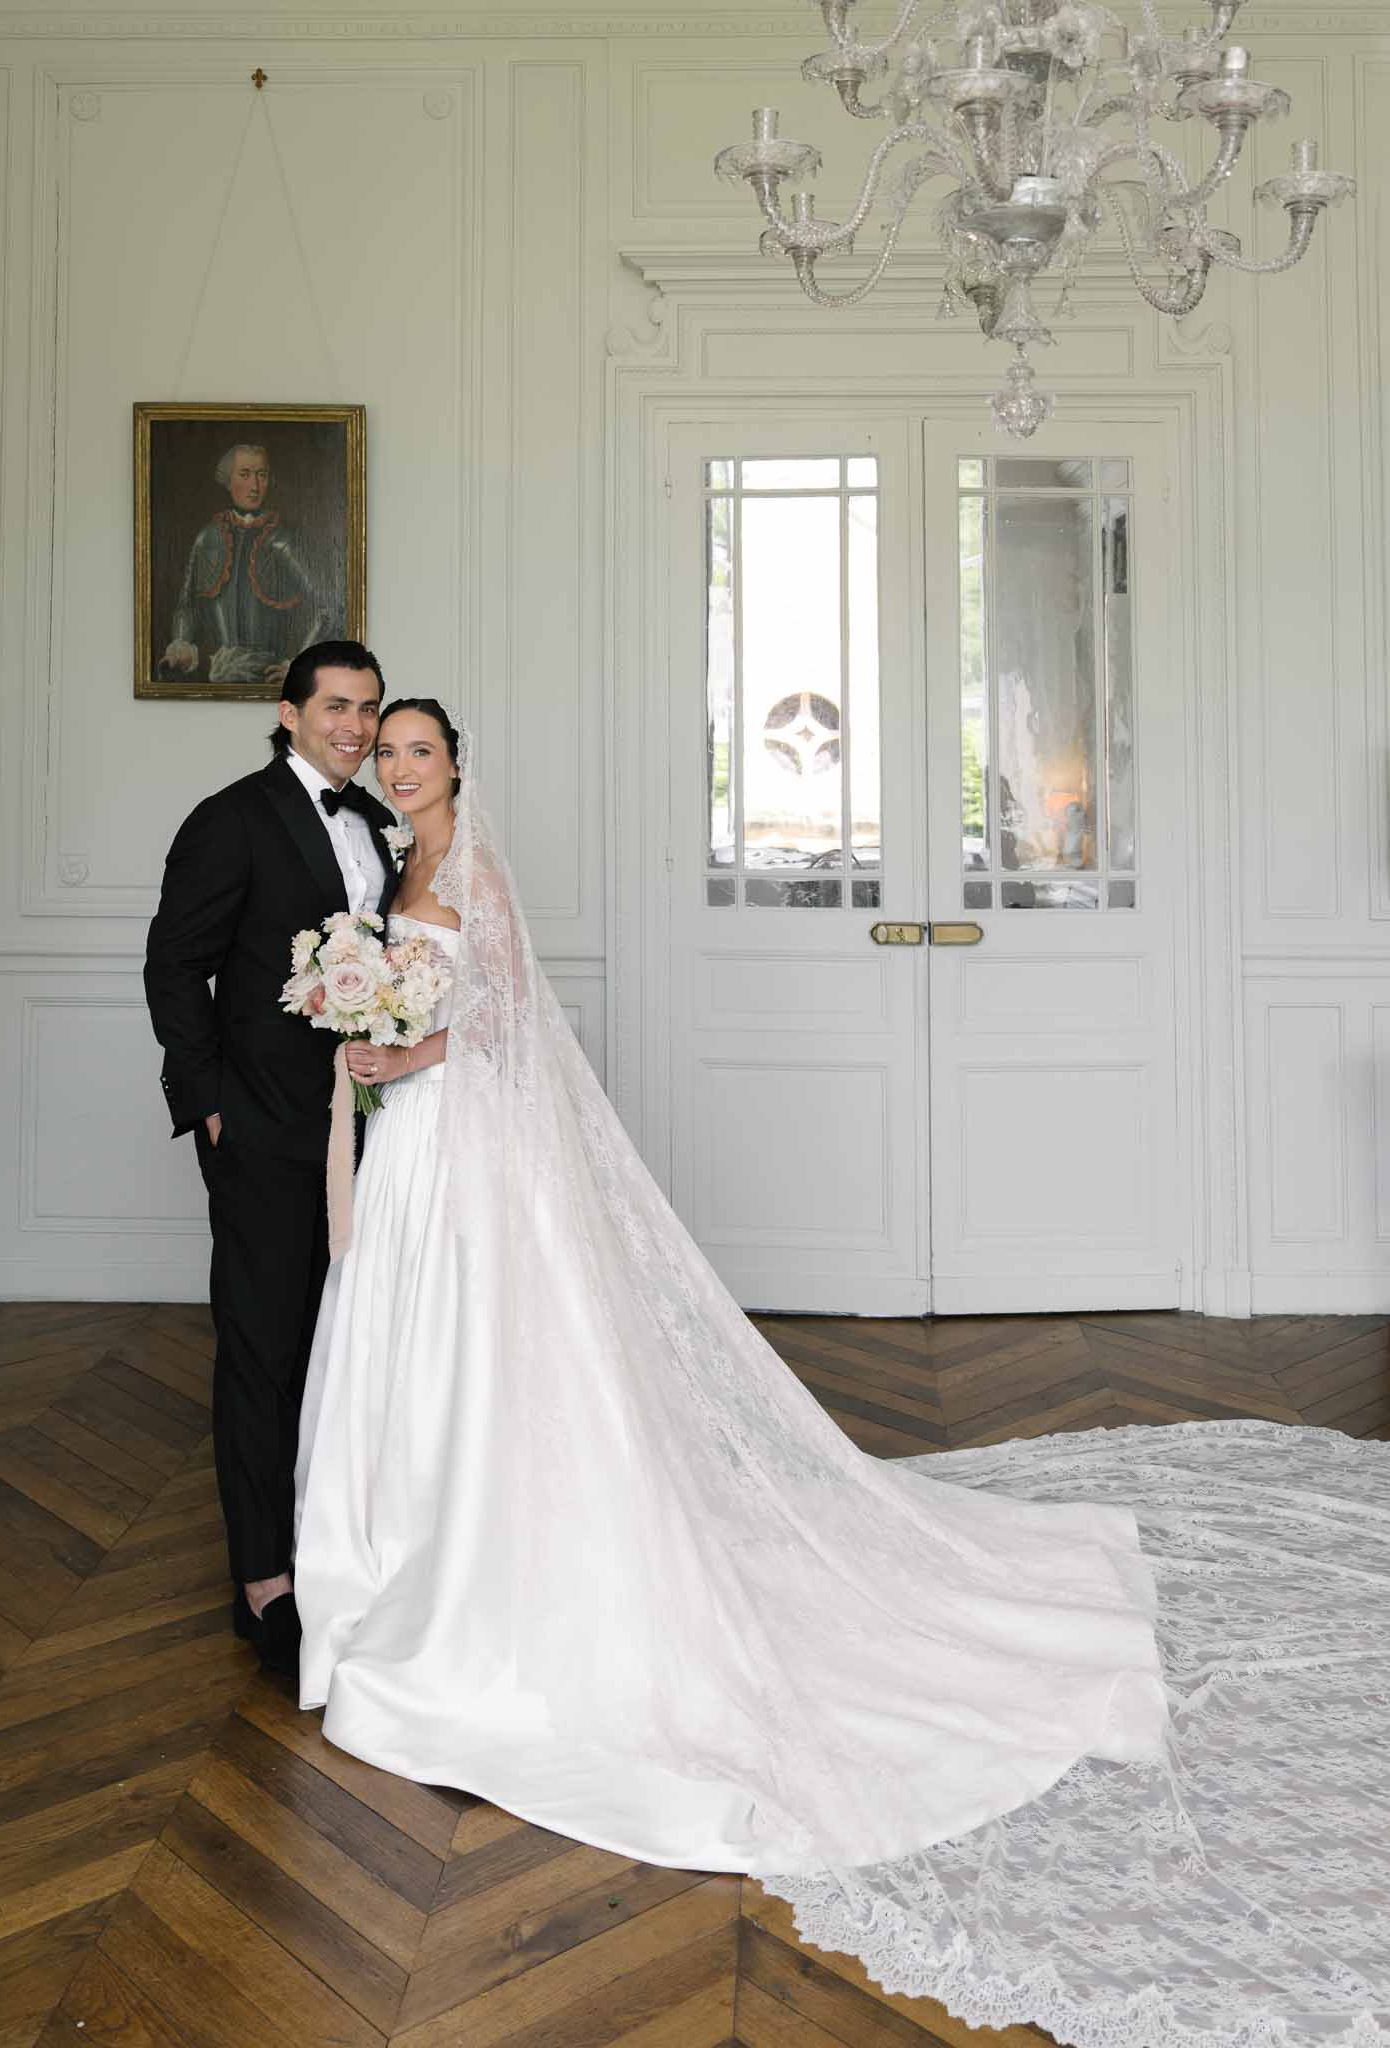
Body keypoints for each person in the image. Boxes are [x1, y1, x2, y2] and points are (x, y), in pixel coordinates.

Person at [292, 700, 1390, 2045]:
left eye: (418, 748)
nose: (399, 764)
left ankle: (488, 1566)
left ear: (457, 762)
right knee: (416, 1345)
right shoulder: (394, 865)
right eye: (386, 749)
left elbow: (508, 1018)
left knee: (495, 1358)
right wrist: (372, 1035)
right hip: (414, 1141)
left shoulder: (469, 871)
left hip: (464, 1135)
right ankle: (410, 1547)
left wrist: (408, 1044)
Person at [144, 642, 396, 1675]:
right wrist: (208, 1106)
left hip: (373, 1127)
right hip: (262, 1131)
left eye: (368, 709)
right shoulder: (229, 817)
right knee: (262, 1347)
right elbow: (173, 965)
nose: (355, 725)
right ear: (288, 711)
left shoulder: (378, 823)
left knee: (349, 1342)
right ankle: (264, 1583)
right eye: (336, 704)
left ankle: (339, 1545)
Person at [158, 443, 332, 689]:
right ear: (228, 480)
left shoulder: (283, 542)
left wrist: (298, 666)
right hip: (216, 678)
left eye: (262, 475)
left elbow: (327, 608)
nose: (254, 486)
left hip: (271, 681)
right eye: (245, 474)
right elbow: (186, 607)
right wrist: (181, 646)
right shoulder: (207, 539)